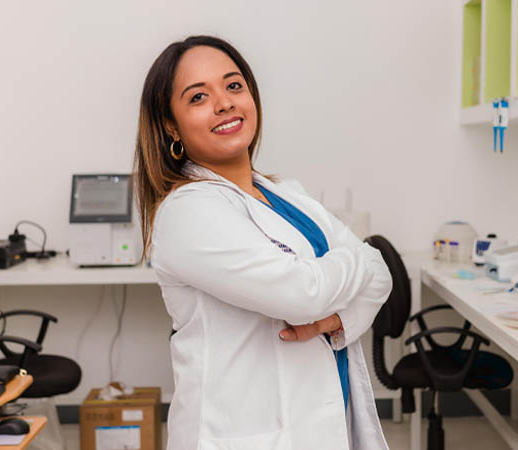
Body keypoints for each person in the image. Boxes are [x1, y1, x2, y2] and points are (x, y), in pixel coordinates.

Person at [134, 35, 392, 450]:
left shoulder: (286, 192)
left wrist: (336, 319)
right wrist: (353, 259)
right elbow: (303, 295)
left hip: (321, 421)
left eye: (233, 86)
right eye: (199, 97)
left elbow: (380, 273)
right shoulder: (187, 212)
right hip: (242, 434)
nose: (225, 103)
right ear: (170, 124)